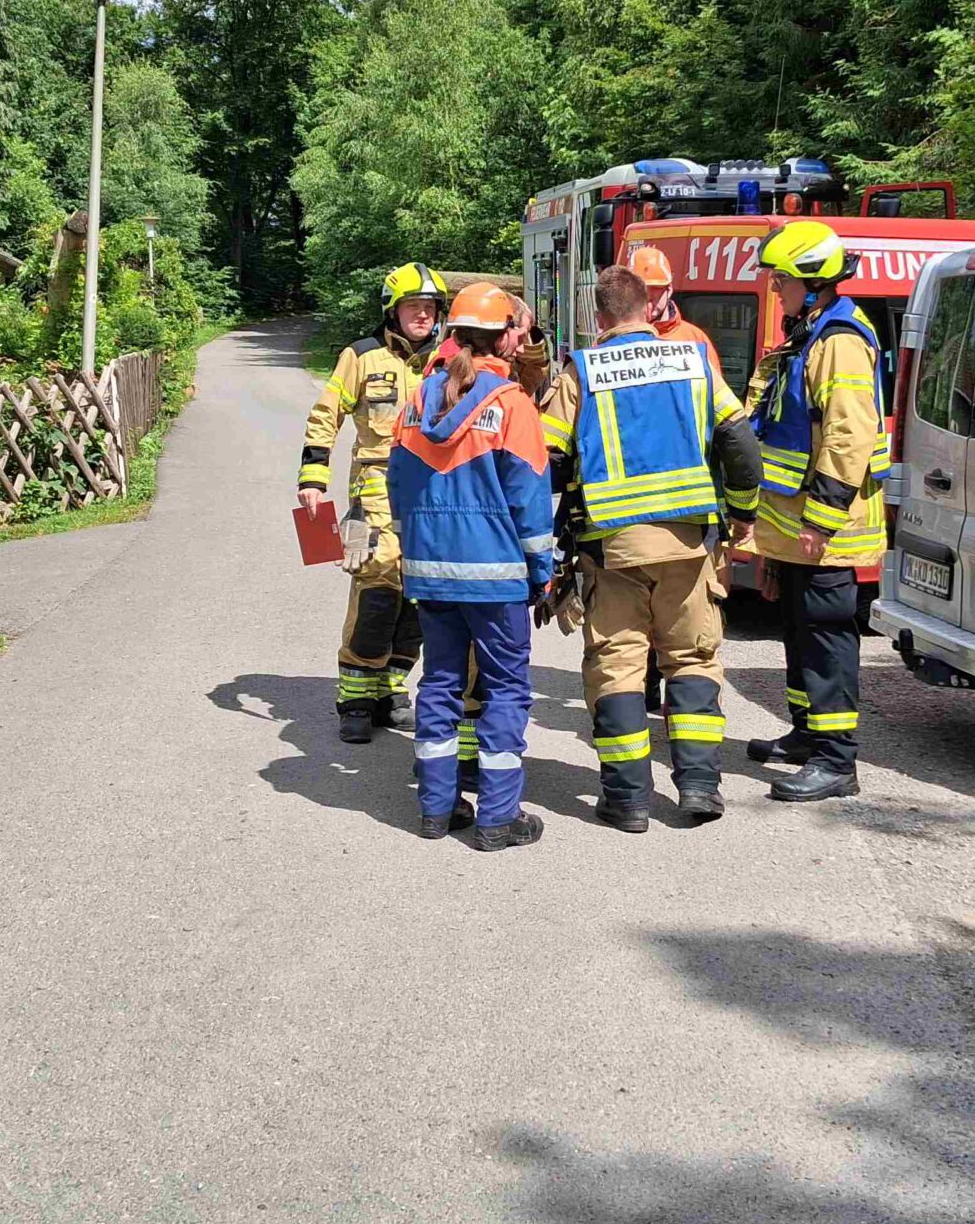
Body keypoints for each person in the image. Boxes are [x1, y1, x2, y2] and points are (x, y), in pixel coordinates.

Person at [543, 264, 762, 832]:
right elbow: (739, 441)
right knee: (691, 659)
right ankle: (699, 787)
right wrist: (742, 512)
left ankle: (628, 801)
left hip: (611, 549)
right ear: (649, 308)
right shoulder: (693, 361)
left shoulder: (582, 371)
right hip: (689, 545)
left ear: (600, 317)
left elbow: (547, 460)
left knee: (617, 667)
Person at [388, 284, 552, 850]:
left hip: (430, 569)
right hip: (495, 575)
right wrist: (541, 572)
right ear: (505, 337)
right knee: (505, 690)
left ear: (453, 333)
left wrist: (415, 547)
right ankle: (497, 818)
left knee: (439, 682)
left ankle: (436, 809)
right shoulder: (511, 404)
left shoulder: (418, 400)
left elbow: (398, 483)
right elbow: (530, 502)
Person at [742, 223, 889, 802]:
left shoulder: (840, 341)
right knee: (799, 632)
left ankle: (837, 760)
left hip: (828, 527)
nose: (775, 289)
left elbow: (849, 435)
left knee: (827, 639)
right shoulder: (811, 332)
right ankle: (807, 735)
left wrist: (821, 519)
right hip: (796, 525)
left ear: (811, 282)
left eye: (781, 280)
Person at [299, 262, 447, 744]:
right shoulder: (361, 356)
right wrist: (313, 477)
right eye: (413, 306)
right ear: (392, 310)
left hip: (432, 489)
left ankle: (391, 688)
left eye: (429, 308)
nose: (422, 315)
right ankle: (356, 699)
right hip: (376, 482)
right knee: (378, 581)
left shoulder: (450, 359)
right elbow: (326, 414)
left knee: (420, 588)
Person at [626, 244, 726, 713]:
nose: (650, 300)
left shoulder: (693, 341)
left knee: (683, 607)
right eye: (643, 292)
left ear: (670, 290)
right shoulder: (619, 341)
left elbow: (718, 417)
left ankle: (677, 688)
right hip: (635, 486)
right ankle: (644, 684)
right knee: (639, 601)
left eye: (657, 291)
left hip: (686, 488)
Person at [628, 244, 728, 385]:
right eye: (640, 289)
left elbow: (716, 391)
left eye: (656, 288)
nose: (648, 296)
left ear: (669, 289)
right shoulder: (613, 340)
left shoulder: (695, 339)